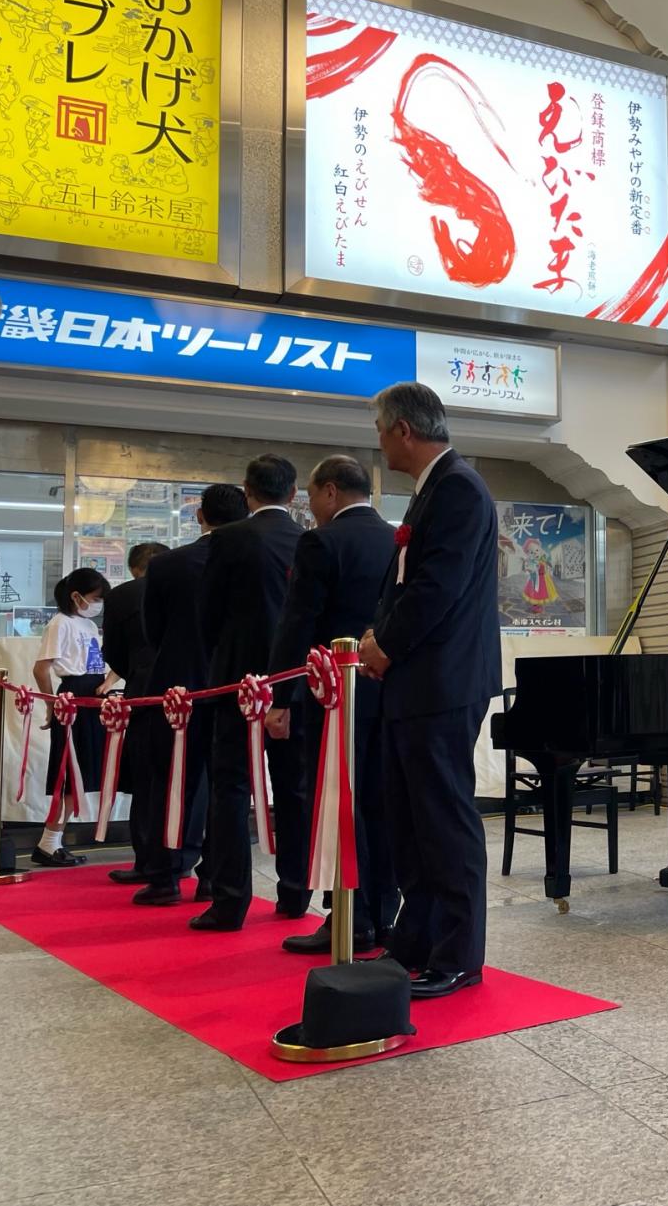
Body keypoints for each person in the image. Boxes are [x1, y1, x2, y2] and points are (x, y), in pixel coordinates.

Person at [359, 383, 499, 998]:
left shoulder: (459, 488)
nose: (380, 444)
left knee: (443, 819)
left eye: (382, 432)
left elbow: (437, 589)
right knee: (410, 819)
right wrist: (377, 633)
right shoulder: (434, 488)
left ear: (404, 431)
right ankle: (414, 939)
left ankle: (459, 953)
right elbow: (408, 584)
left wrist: (384, 647)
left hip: (441, 682)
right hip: (417, 682)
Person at [267, 454, 399, 955]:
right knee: (379, 802)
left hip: (334, 695)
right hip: (388, 690)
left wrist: (280, 697)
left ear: (329, 492)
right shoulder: (396, 538)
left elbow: (296, 624)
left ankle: (349, 915)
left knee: (337, 803)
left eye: (311, 495)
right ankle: (385, 912)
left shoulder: (321, 541)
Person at [192, 454, 308, 932]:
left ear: (247, 491)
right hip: (294, 682)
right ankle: (296, 892)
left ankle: (230, 900)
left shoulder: (228, 539)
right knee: (294, 788)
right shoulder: (307, 539)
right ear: (294, 494)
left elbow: (209, 613)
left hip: (236, 679)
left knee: (231, 788)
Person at [135, 484, 248, 906]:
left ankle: (166, 874)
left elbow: (154, 632)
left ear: (200, 516)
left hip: (177, 684)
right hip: (234, 685)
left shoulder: (167, 564)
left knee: (172, 780)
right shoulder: (252, 561)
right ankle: (213, 878)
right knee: (226, 785)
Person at [30, 568, 118, 867]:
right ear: (76, 596)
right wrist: (52, 704)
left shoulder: (90, 626)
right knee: (69, 775)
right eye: (95, 598)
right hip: (74, 696)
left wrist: (107, 682)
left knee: (83, 775)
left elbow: (105, 662)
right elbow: (41, 668)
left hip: (93, 695)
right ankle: (48, 843)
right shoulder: (60, 623)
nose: (98, 604)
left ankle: (50, 842)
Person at [101, 541, 170, 884]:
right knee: (188, 776)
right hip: (192, 692)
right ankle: (186, 857)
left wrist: (138, 673)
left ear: (133, 568)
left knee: (146, 777)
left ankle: (147, 861)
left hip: (144, 692)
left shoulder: (122, 595)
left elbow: (112, 652)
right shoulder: (189, 585)